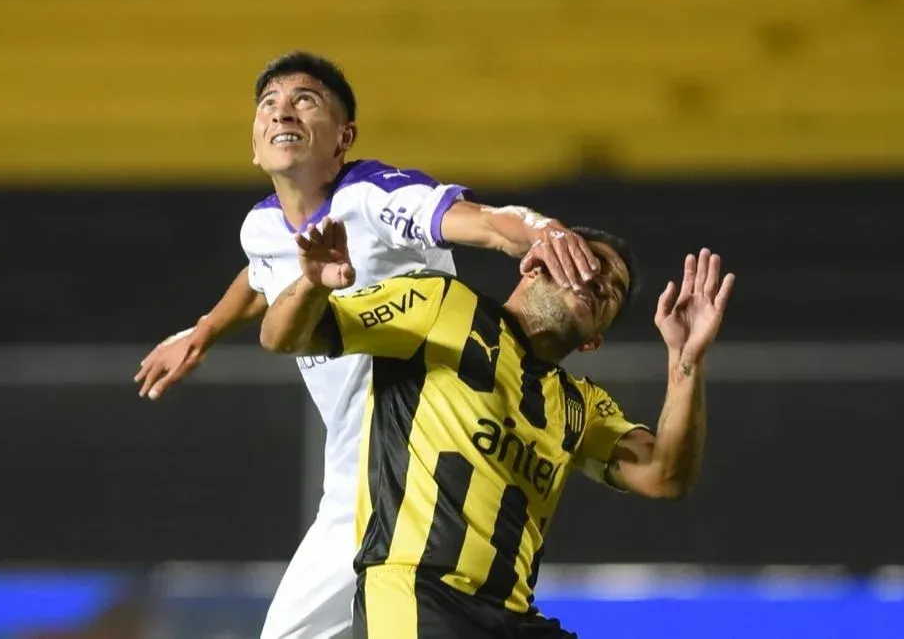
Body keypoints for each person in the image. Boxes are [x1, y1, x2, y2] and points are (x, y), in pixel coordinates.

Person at [133, 51, 604, 639]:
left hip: (418, 473)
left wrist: (540, 230)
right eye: (269, 103)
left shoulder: (375, 199)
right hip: (353, 482)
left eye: (306, 100)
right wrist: (203, 331)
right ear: (254, 146)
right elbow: (260, 274)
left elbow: (483, 222)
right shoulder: (262, 227)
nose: (283, 110)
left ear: (344, 137)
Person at [259, 217, 735, 638]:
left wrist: (685, 362)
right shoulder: (439, 304)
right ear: (534, 265)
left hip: (511, 617)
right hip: (419, 596)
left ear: (593, 341)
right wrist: (312, 285)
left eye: (614, 291)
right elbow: (282, 337)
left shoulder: (581, 406)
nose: (602, 282)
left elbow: (665, 476)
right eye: (591, 263)